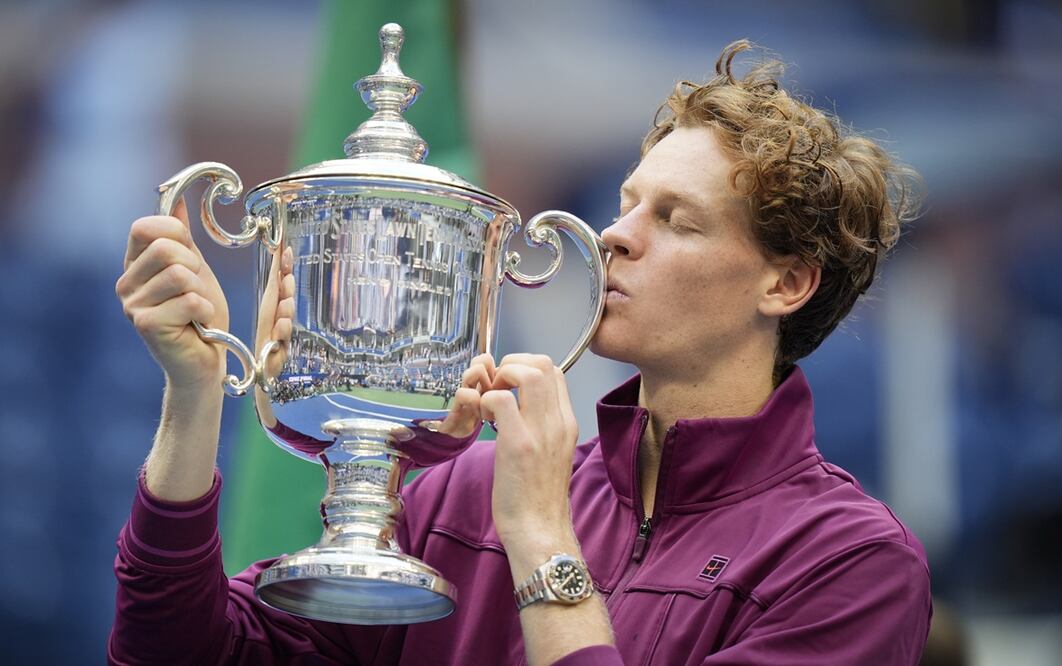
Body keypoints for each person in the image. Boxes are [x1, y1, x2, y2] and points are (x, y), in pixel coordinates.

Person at [110, 41, 929, 665]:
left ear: (785, 284)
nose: (615, 236)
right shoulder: (459, 494)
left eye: (674, 220)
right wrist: (194, 391)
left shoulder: (848, 564)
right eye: (625, 204)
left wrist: (539, 532)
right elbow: (177, 650)